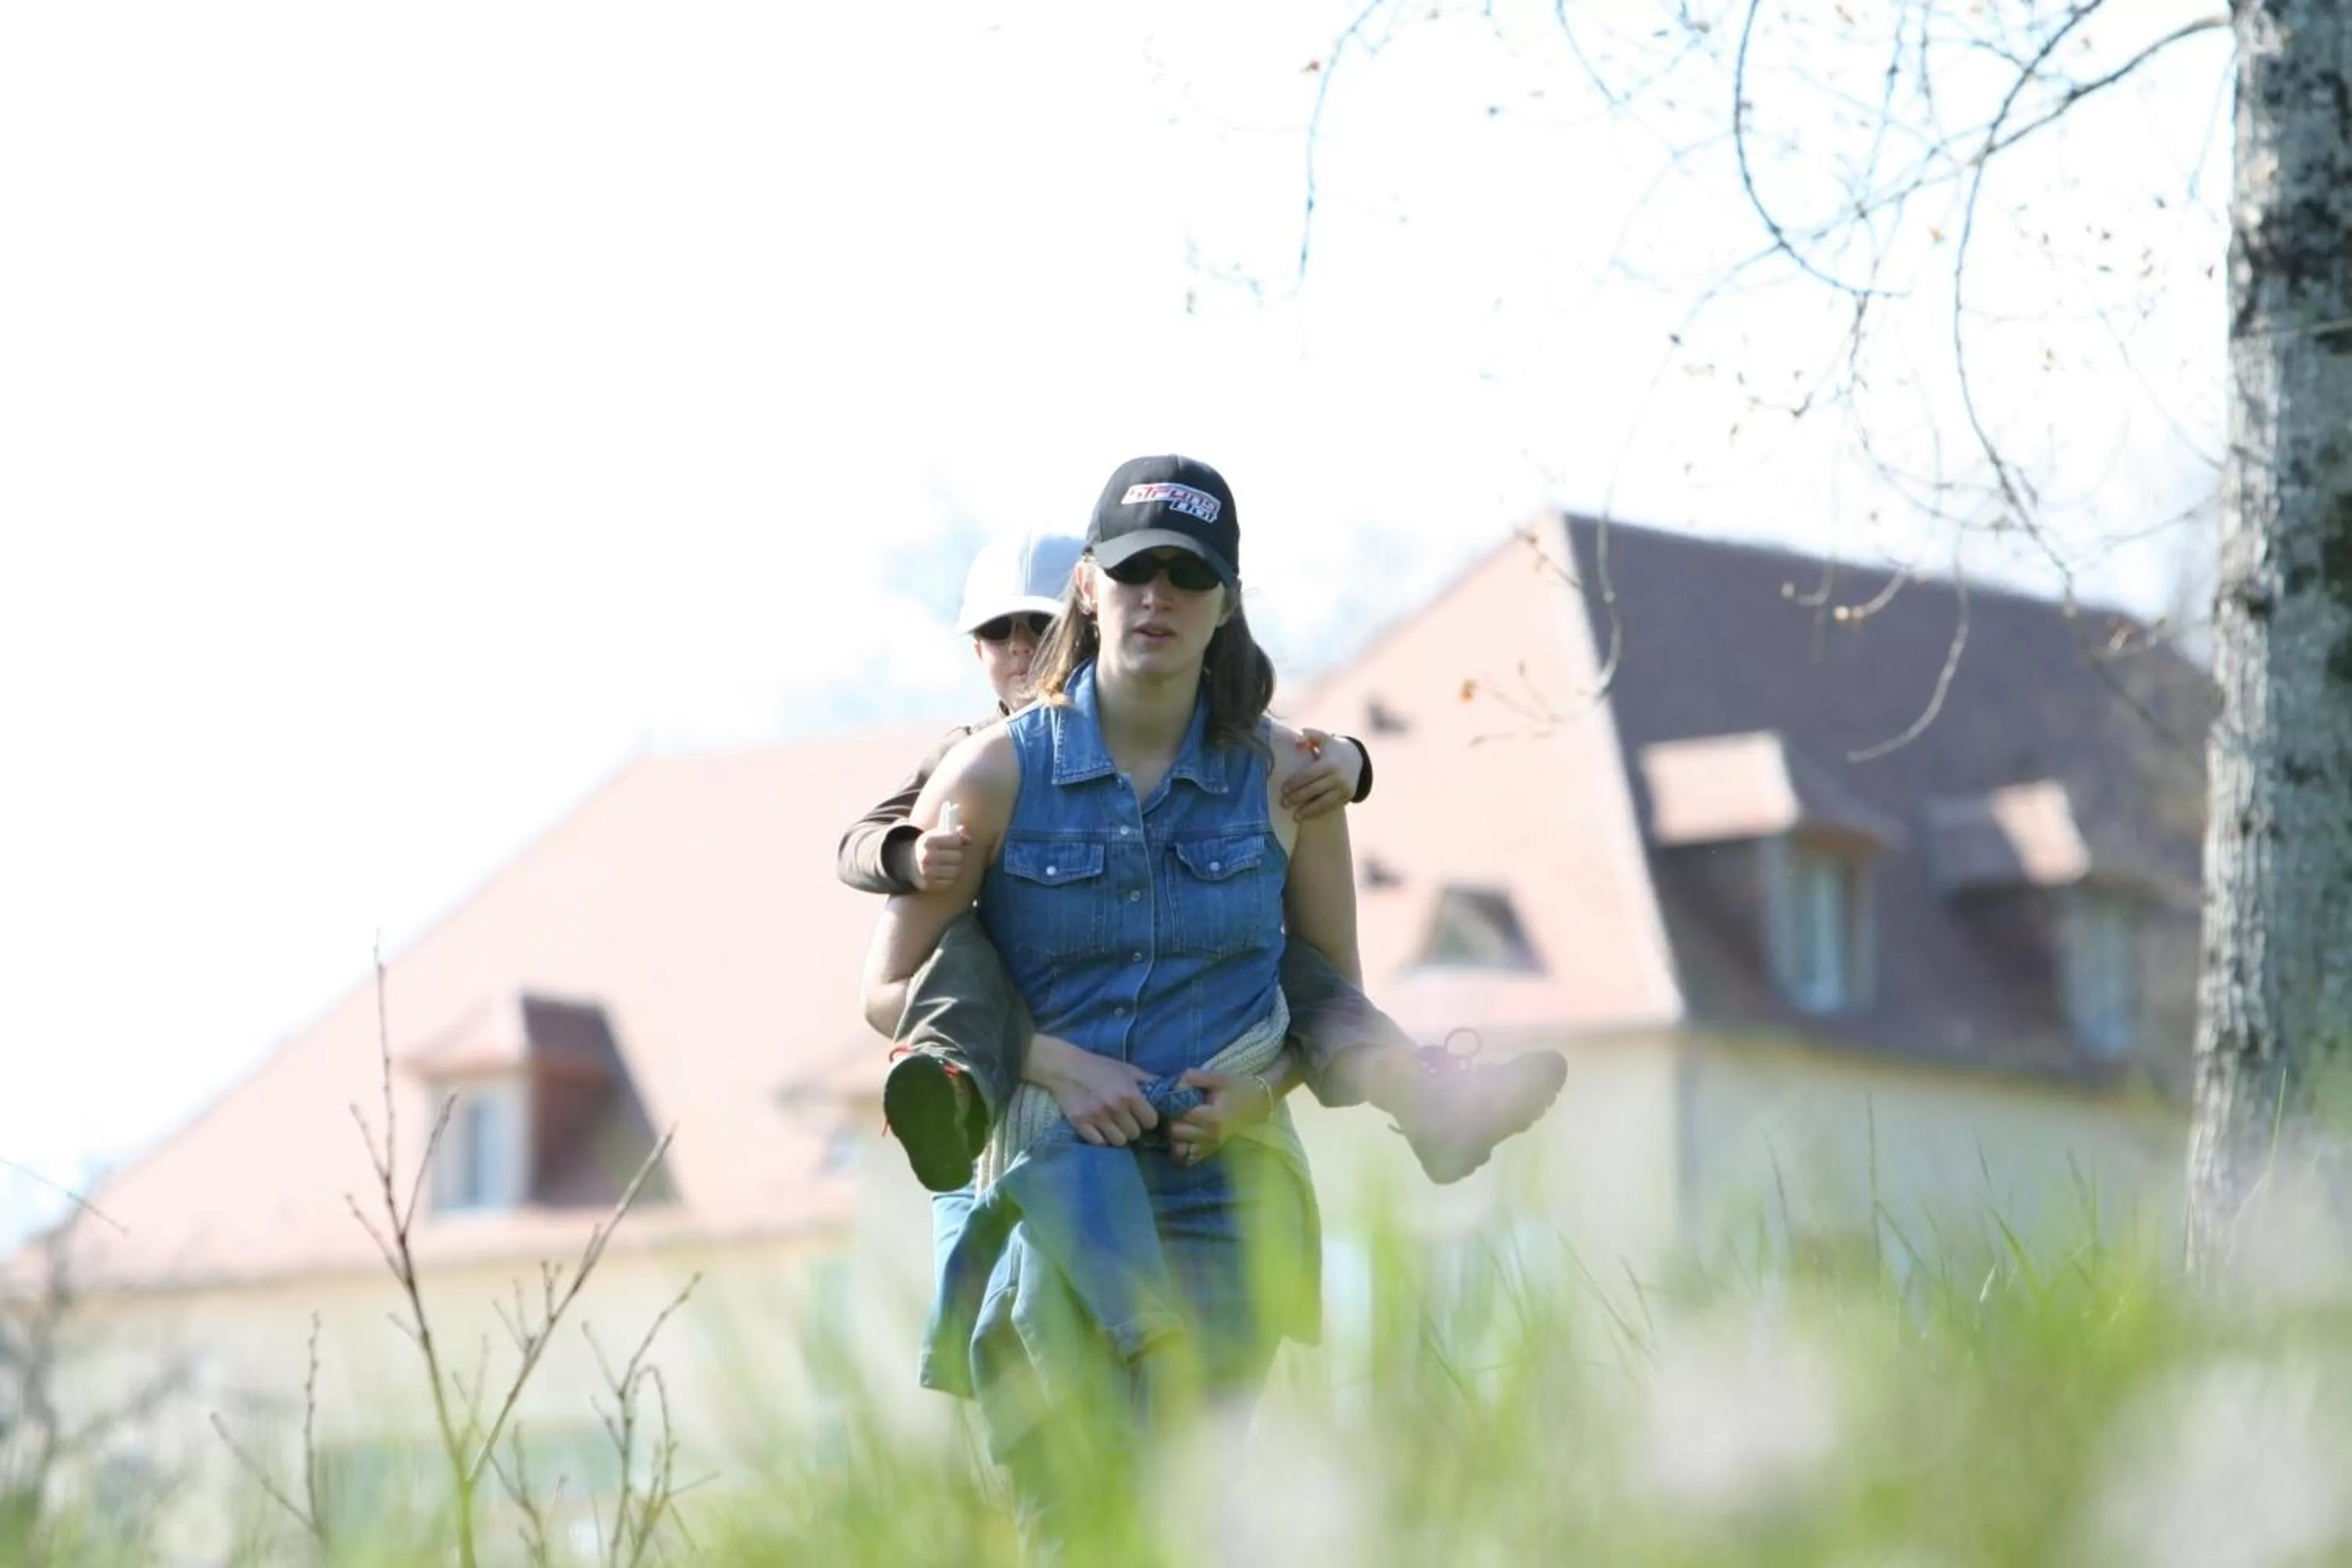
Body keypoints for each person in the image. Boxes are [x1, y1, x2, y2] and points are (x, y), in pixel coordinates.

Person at [859, 456, 1566, 1552]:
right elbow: (887, 992)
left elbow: (1326, 990)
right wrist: (1050, 1062)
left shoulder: (1295, 779)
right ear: (1089, 585)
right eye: (1137, 570)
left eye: (1189, 575)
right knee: (1079, 1518)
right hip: (1053, 1187)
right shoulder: (991, 774)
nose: (1158, 599)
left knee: (1199, 1516)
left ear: (1226, 600)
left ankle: (1433, 1098)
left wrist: (1259, 1092)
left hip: (1221, 1187)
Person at [843, 526, 1564, 1194]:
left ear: (1085, 619)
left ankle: (1428, 1095)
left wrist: (1350, 760)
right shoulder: (976, 760)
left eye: (1041, 624)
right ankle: (948, 1094)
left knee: (1299, 970)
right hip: (1008, 1060)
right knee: (960, 959)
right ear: (976, 649)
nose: (1023, 646)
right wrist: (908, 851)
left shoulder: (1197, 737)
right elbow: (865, 849)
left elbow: (1275, 749)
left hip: (1187, 1046)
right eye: (999, 632)